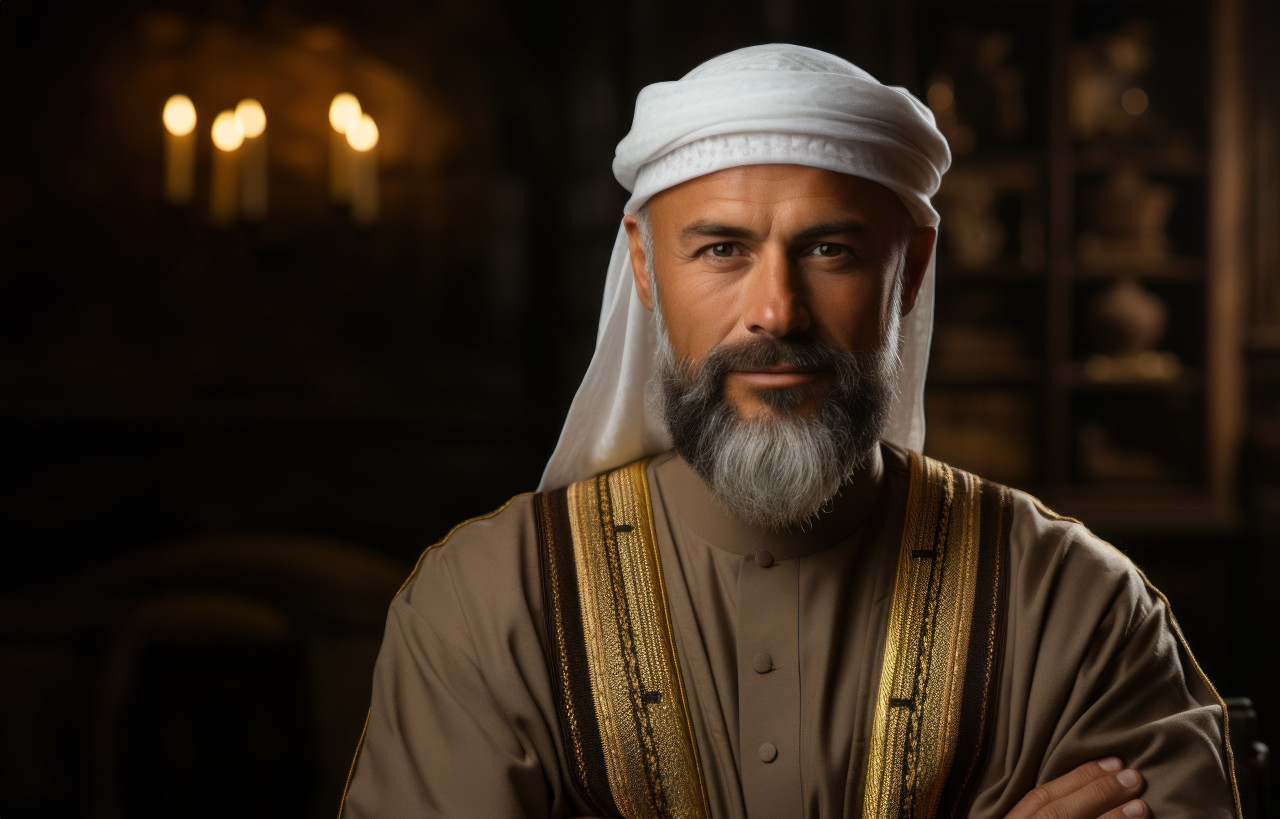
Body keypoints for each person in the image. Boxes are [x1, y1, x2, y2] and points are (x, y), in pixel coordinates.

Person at [338, 45, 1240, 818]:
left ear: (910, 269)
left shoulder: (1077, 608)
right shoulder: (487, 606)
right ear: (645, 265)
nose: (776, 311)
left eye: (829, 249)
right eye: (722, 249)